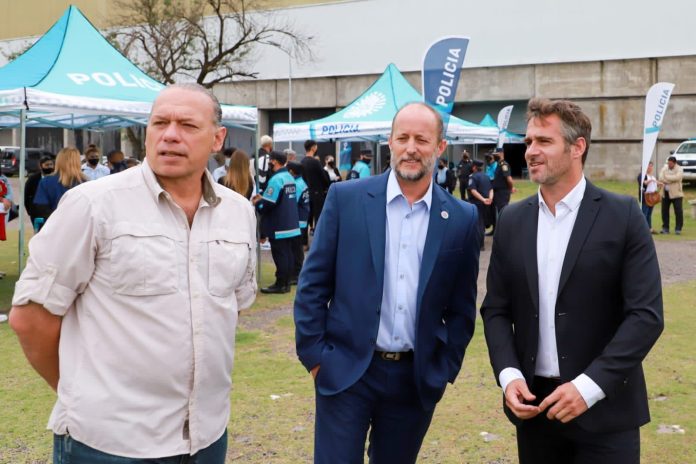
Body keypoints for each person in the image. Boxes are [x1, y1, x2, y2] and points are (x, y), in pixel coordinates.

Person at [9, 83, 257, 463]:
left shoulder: (238, 212)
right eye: (160, 123)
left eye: (188, 125)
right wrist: (84, 395)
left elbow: (227, 309)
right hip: (109, 445)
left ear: (217, 138)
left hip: (206, 437)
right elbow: (31, 318)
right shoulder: (93, 205)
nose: (170, 135)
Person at [294, 102, 480, 463]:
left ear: (440, 147)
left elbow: (462, 307)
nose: (411, 148)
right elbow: (313, 285)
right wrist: (316, 358)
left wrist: (442, 369)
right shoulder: (347, 199)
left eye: (422, 140)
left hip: (414, 378)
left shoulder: (461, 217)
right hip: (346, 371)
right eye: (403, 138)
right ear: (390, 143)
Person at [480, 98, 663, 463]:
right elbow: (496, 310)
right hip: (535, 410)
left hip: (606, 410)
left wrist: (587, 387)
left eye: (543, 141)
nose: (530, 151)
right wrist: (510, 375)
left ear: (577, 147)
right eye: (529, 141)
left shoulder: (623, 215)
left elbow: (645, 316)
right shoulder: (513, 221)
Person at [252, 150, 300, 294]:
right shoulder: (290, 177)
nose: (269, 163)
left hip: (279, 225)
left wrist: (258, 203)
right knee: (288, 254)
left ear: (275, 161)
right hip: (291, 223)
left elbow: (269, 203)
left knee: (280, 255)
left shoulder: (276, 179)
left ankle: (280, 284)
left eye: (271, 160)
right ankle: (286, 283)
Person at [33, 147, 87, 223]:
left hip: (54, 227)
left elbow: (41, 208)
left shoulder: (46, 182)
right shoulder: (86, 183)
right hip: (80, 227)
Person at [287, 161, 310, 284]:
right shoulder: (301, 182)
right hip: (302, 220)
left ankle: (296, 274)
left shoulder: (297, 184)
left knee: (295, 249)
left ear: (291, 171)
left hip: (298, 221)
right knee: (297, 248)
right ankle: (297, 272)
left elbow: (291, 203)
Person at [301, 139, 330, 235]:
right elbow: (323, 177)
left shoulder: (302, 161)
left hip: (305, 192)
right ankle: (317, 238)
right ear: (313, 148)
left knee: (306, 216)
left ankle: (304, 241)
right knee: (318, 216)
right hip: (317, 192)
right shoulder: (315, 162)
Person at [488, 149, 515, 235]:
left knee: (502, 212)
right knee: (495, 212)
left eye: (495, 154)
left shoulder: (504, 164)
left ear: (501, 154)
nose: (494, 156)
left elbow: (509, 179)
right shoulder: (499, 165)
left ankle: (505, 233)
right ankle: (495, 230)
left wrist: (510, 189)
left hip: (502, 193)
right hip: (497, 192)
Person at [467, 159, 493, 249]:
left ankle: (479, 245)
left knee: (477, 224)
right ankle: (480, 243)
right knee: (481, 224)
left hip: (476, 203)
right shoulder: (486, 176)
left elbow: (473, 190)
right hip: (485, 204)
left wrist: (482, 199)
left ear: (474, 167)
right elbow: (491, 189)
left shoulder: (472, 177)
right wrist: (489, 199)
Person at [24, 155, 55, 227]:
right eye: (47, 165)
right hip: (36, 213)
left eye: (51, 164)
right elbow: (26, 195)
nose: (49, 167)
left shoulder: (57, 178)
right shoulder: (33, 179)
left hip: (53, 212)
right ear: (40, 166)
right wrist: (30, 211)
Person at [659, 155, 684, 235]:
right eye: (668, 163)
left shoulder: (679, 169)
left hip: (677, 194)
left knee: (678, 212)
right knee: (664, 211)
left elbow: (677, 178)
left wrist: (666, 178)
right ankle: (665, 228)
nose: (669, 165)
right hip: (665, 193)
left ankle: (678, 228)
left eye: (670, 164)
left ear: (674, 163)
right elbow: (660, 178)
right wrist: (669, 179)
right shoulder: (665, 168)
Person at [637, 161, 660, 233]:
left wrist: (659, 183)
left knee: (649, 214)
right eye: (649, 166)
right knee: (645, 213)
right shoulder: (641, 175)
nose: (650, 168)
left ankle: (649, 228)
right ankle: (643, 229)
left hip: (652, 197)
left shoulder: (652, 176)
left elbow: (655, 185)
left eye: (651, 166)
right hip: (645, 197)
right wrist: (651, 180)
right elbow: (643, 183)